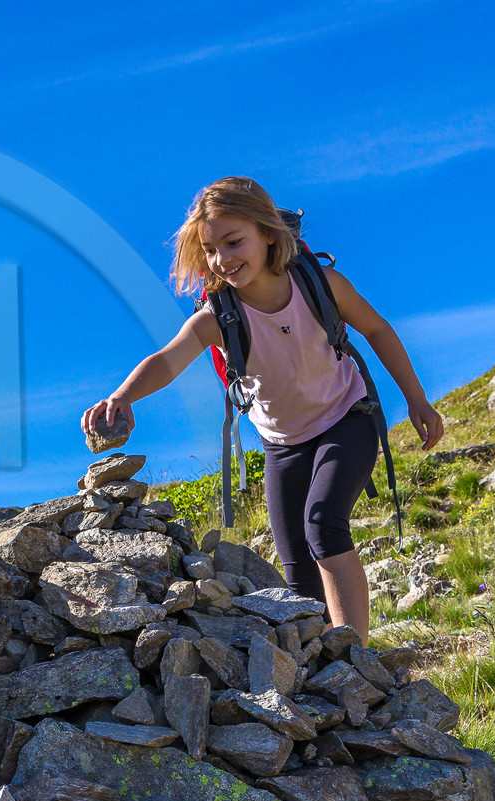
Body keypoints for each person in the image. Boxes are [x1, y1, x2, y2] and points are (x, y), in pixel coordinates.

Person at [81, 177, 443, 645]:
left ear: (269, 233)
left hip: (346, 418)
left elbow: (377, 330)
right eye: (211, 250)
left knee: (323, 524)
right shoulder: (217, 317)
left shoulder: (322, 286)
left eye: (234, 242)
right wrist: (122, 397)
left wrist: (417, 399)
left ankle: (355, 655)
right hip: (283, 443)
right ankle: (321, 667)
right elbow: (168, 359)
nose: (222, 259)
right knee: (295, 565)